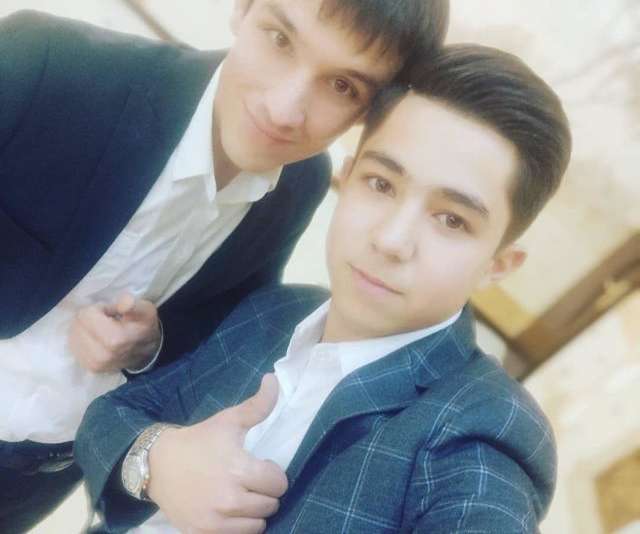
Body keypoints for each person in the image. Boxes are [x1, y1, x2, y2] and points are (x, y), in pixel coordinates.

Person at [0, 0, 450, 531]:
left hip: (36, 475)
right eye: (279, 38)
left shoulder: (299, 185)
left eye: (342, 85)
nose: (285, 109)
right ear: (243, 0)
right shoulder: (48, 62)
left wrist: (151, 344)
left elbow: (215, 333)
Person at [75, 43, 572, 534]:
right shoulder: (275, 310)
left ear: (497, 266)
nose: (391, 240)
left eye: (452, 220)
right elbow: (113, 414)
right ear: (347, 177)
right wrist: (157, 461)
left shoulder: (482, 431)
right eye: (381, 184)